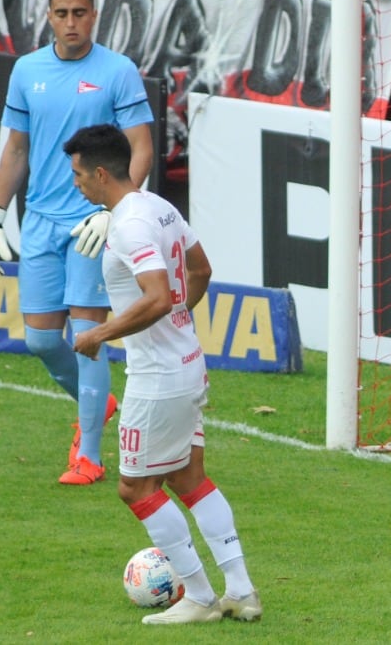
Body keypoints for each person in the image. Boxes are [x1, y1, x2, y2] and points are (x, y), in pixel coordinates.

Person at [65, 124, 261, 625]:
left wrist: (99, 334)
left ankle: (196, 596)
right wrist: (179, 318)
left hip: (156, 379)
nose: (77, 185)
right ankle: (240, 591)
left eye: (79, 175)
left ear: (101, 173)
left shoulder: (129, 225)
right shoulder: (160, 208)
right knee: (188, 477)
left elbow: (156, 295)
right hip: (187, 363)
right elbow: (201, 271)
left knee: (136, 488)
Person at [0, 0, 154, 485]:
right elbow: (16, 149)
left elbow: (140, 146)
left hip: (91, 224)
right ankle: (96, 404)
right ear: (49, 15)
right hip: (39, 221)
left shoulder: (118, 71)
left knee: (86, 334)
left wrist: (113, 210)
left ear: (94, 14)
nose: (71, 22)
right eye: (62, 14)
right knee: (39, 340)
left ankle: (91, 458)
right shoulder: (27, 71)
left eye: (80, 13)